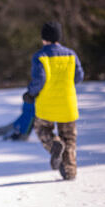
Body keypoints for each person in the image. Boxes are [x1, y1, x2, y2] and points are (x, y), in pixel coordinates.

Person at [22, 21, 84, 180]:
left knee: (42, 129)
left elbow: (40, 79)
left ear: (44, 38)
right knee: (69, 138)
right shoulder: (71, 54)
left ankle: (54, 145)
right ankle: (70, 171)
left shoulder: (40, 56)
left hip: (46, 104)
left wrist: (30, 93)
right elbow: (79, 76)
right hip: (68, 104)